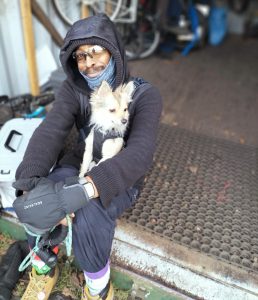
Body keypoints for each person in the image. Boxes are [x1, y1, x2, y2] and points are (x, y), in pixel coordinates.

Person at [13, 13, 162, 300]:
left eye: (96, 52)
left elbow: (140, 154)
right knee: (41, 198)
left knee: (90, 213)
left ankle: (97, 288)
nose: (89, 63)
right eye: (81, 56)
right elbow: (51, 129)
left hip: (119, 172)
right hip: (80, 159)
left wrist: (89, 187)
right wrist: (28, 178)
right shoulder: (74, 89)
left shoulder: (145, 95)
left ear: (114, 52)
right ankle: (43, 267)